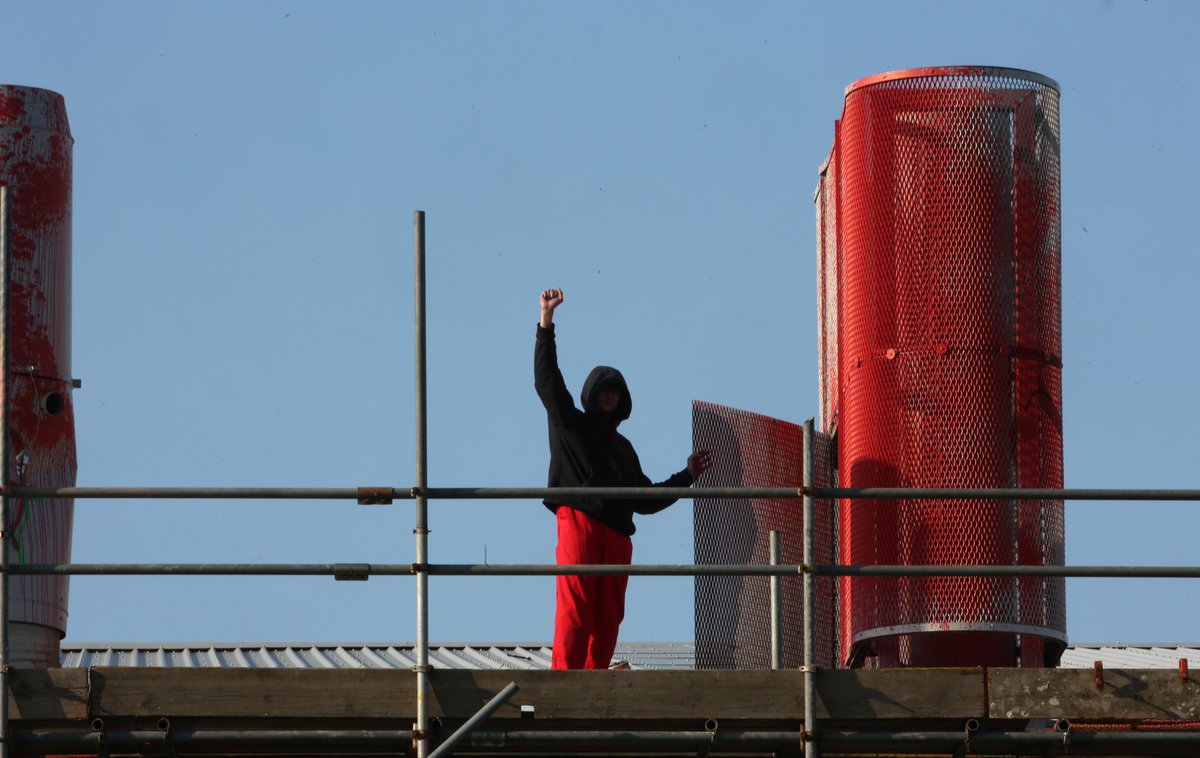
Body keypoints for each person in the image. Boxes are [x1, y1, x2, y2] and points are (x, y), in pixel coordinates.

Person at [535, 287, 712, 670]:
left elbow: (644, 498)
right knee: (576, 605)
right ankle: (565, 679)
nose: (611, 396)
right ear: (592, 394)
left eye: (616, 391)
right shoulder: (571, 425)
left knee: (608, 615)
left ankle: (594, 679)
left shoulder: (623, 448)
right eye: (605, 390)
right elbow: (548, 383)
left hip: (617, 535)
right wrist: (546, 324)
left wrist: (687, 476)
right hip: (580, 521)